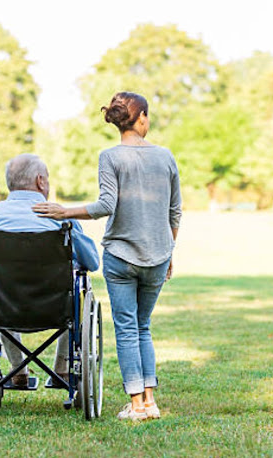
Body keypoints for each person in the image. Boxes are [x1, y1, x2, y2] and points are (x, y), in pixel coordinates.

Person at [33, 92, 182, 421]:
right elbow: (175, 213)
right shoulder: (166, 157)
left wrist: (64, 211)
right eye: (148, 115)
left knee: (128, 328)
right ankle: (150, 401)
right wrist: (168, 251)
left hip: (121, 255)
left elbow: (105, 206)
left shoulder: (109, 157)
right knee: (143, 326)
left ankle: (137, 405)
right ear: (140, 117)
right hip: (158, 255)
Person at [0, 153, 99, 388]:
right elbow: (93, 263)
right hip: (55, 308)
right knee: (77, 290)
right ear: (40, 181)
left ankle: (18, 372)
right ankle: (63, 371)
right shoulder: (61, 218)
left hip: (3, 308)